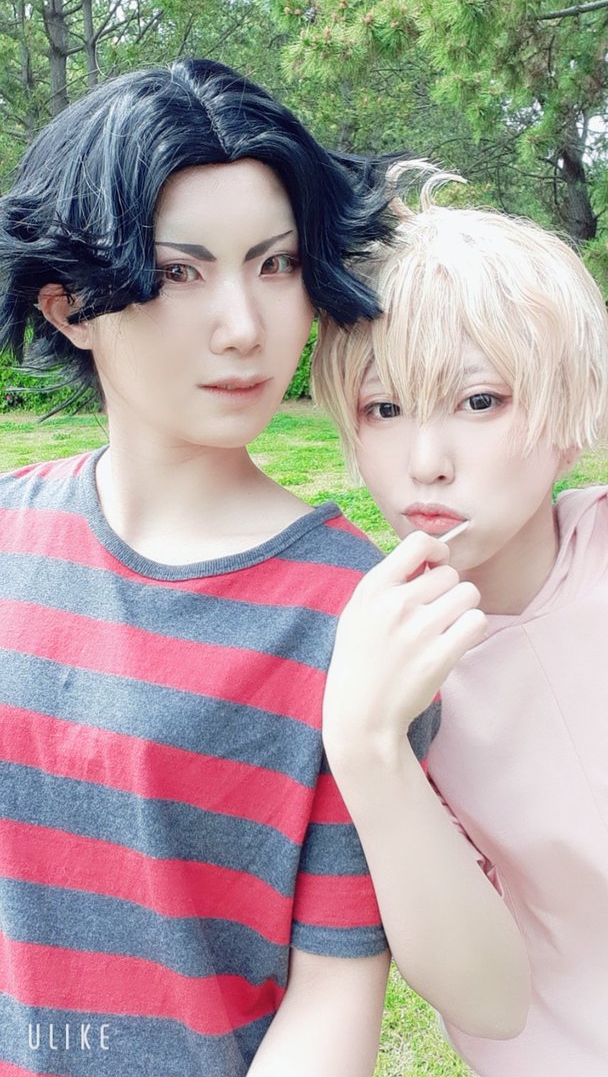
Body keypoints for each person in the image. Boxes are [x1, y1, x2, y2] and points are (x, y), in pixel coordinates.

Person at [0, 68, 527, 1077]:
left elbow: (335, 989)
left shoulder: (354, 616)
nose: (244, 325)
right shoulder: (10, 531)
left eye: (276, 264)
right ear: (69, 307)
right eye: (181, 272)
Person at [313, 164, 608, 1076]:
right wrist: (370, 749)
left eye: (479, 400)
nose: (425, 461)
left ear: (573, 411)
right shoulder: (380, 658)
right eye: (384, 408)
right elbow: (489, 1001)